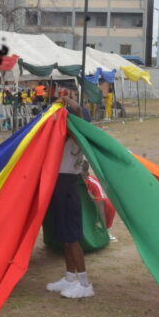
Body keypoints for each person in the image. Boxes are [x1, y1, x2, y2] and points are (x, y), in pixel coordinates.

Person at [46, 96, 94, 299]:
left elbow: (78, 115)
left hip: (67, 189)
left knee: (72, 239)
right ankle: (69, 277)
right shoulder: (63, 138)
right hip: (59, 188)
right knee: (65, 238)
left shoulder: (76, 138)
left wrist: (66, 100)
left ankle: (84, 283)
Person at [82, 160, 116, 240]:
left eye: (80, 175)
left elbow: (101, 207)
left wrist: (104, 230)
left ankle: (104, 230)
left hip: (91, 208)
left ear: (87, 174)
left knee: (108, 204)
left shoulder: (93, 183)